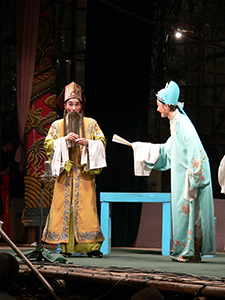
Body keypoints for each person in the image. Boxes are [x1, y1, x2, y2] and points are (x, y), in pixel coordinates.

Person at [132, 81, 216, 262]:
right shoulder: (176, 122)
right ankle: (188, 251)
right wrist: (142, 149)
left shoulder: (182, 123)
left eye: (158, 106)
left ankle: (189, 251)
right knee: (184, 212)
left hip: (189, 176)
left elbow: (195, 149)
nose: (157, 110)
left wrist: (195, 176)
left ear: (167, 106)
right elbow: (168, 150)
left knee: (188, 211)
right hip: (183, 175)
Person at [42, 81, 107, 258]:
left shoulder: (91, 124)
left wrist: (89, 143)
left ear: (81, 106)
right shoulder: (57, 126)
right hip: (65, 175)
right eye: (70, 104)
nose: (73, 107)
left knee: (87, 209)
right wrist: (62, 140)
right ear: (64, 106)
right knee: (64, 209)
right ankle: (65, 248)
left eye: (77, 104)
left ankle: (91, 247)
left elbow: (102, 143)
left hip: (84, 175)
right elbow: (48, 145)